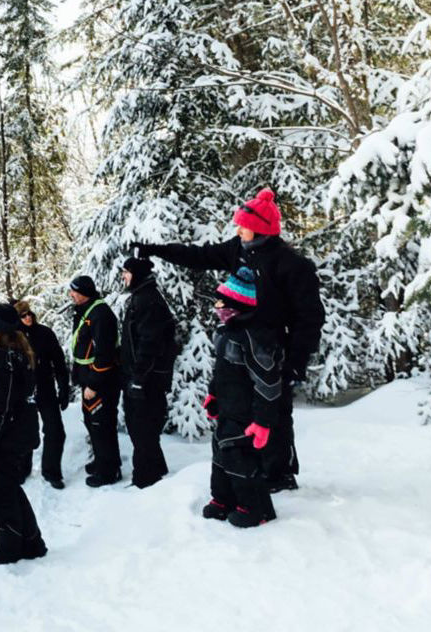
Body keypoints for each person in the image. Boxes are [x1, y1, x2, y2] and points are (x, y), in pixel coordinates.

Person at [134, 188, 324, 492]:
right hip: (240, 345)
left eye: (243, 225)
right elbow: (200, 255)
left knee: (274, 415)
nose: (237, 229)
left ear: (260, 227)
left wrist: (296, 364)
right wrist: (157, 250)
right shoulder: (239, 248)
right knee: (245, 412)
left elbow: (310, 319)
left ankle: (279, 476)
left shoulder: (291, 265)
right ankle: (251, 470)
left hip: (274, 351)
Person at [201, 267, 281, 527]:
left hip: (247, 413)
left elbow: (268, 381)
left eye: (222, 303)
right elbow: (222, 370)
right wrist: (213, 395)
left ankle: (254, 508)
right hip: (227, 407)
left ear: (237, 306)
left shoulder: (253, 337)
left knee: (240, 459)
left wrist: (263, 421)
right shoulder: (226, 334)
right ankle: (222, 499)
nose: (217, 308)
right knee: (220, 454)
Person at [0, 303, 47, 566]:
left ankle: (7, 549)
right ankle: (32, 542)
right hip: (18, 434)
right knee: (10, 488)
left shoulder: (2, 359)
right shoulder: (18, 352)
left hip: (5, 438)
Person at [118, 257, 176, 488]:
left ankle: (145, 479)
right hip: (140, 375)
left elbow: (150, 343)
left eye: (126, 272)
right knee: (142, 426)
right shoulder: (142, 297)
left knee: (141, 426)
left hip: (146, 378)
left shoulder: (147, 300)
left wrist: (139, 377)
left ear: (137, 274)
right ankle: (156, 468)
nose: (123, 276)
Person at [67, 275, 123, 487]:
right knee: (92, 421)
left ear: (84, 293)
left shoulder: (101, 314)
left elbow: (105, 354)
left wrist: (93, 384)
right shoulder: (85, 310)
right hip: (87, 376)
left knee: (102, 423)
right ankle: (102, 461)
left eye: (74, 291)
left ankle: (109, 471)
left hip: (101, 380)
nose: (71, 295)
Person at [13, 300, 70, 489]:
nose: (28, 317)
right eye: (23, 315)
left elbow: (59, 362)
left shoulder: (45, 333)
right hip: (23, 392)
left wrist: (63, 388)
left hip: (46, 388)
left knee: (55, 430)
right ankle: (22, 468)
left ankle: (51, 471)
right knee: (24, 432)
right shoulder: (12, 338)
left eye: (29, 313)